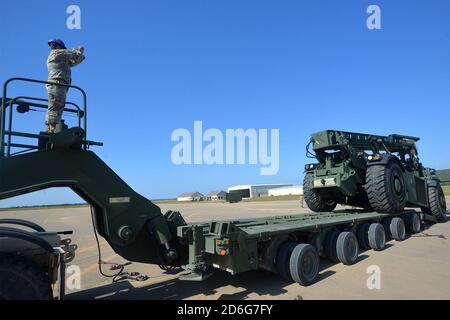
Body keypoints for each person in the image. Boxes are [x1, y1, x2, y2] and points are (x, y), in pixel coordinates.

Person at [46, 38, 85, 133]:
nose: (53, 47)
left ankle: (53, 128)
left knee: (59, 105)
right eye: (53, 45)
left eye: (54, 45)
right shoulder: (57, 53)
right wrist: (78, 51)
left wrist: (79, 54)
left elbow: (76, 61)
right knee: (55, 105)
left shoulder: (62, 60)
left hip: (61, 84)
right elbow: (74, 55)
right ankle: (51, 129)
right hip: (57, 83)